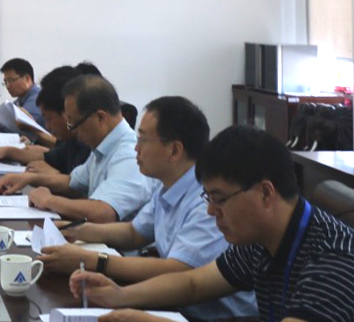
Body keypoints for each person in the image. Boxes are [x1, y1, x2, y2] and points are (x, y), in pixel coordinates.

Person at [71, 125, 354, 322]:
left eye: (219, 198)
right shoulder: (262, 238)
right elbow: (194, 283)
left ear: (266, 193)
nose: (210, 210)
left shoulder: (333, 259)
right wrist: (119, 295)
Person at [39, 97, 256, 320]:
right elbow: (135, 233)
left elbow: (179, 270)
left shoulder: (206, 201)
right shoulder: (168, 185)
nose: (136, 148)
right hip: (175, 307)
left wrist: (94, 260)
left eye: (142, 140)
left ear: (175, 150)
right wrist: (77, 230)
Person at [0, 75, 152, 222]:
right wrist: (29, 178)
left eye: (73, 122)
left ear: (100, 117)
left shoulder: (129, 155)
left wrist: (49, 200)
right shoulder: (103, 146)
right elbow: (74, 182)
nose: (72, 130)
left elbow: (104, 212)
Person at [0, 65, 90, 174]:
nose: (48, 125)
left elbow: (78, 183)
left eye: (48, 118)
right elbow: (49, 156)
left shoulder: (88, 143)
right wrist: (7, 151)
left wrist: (51, 177)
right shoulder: (72, 141)